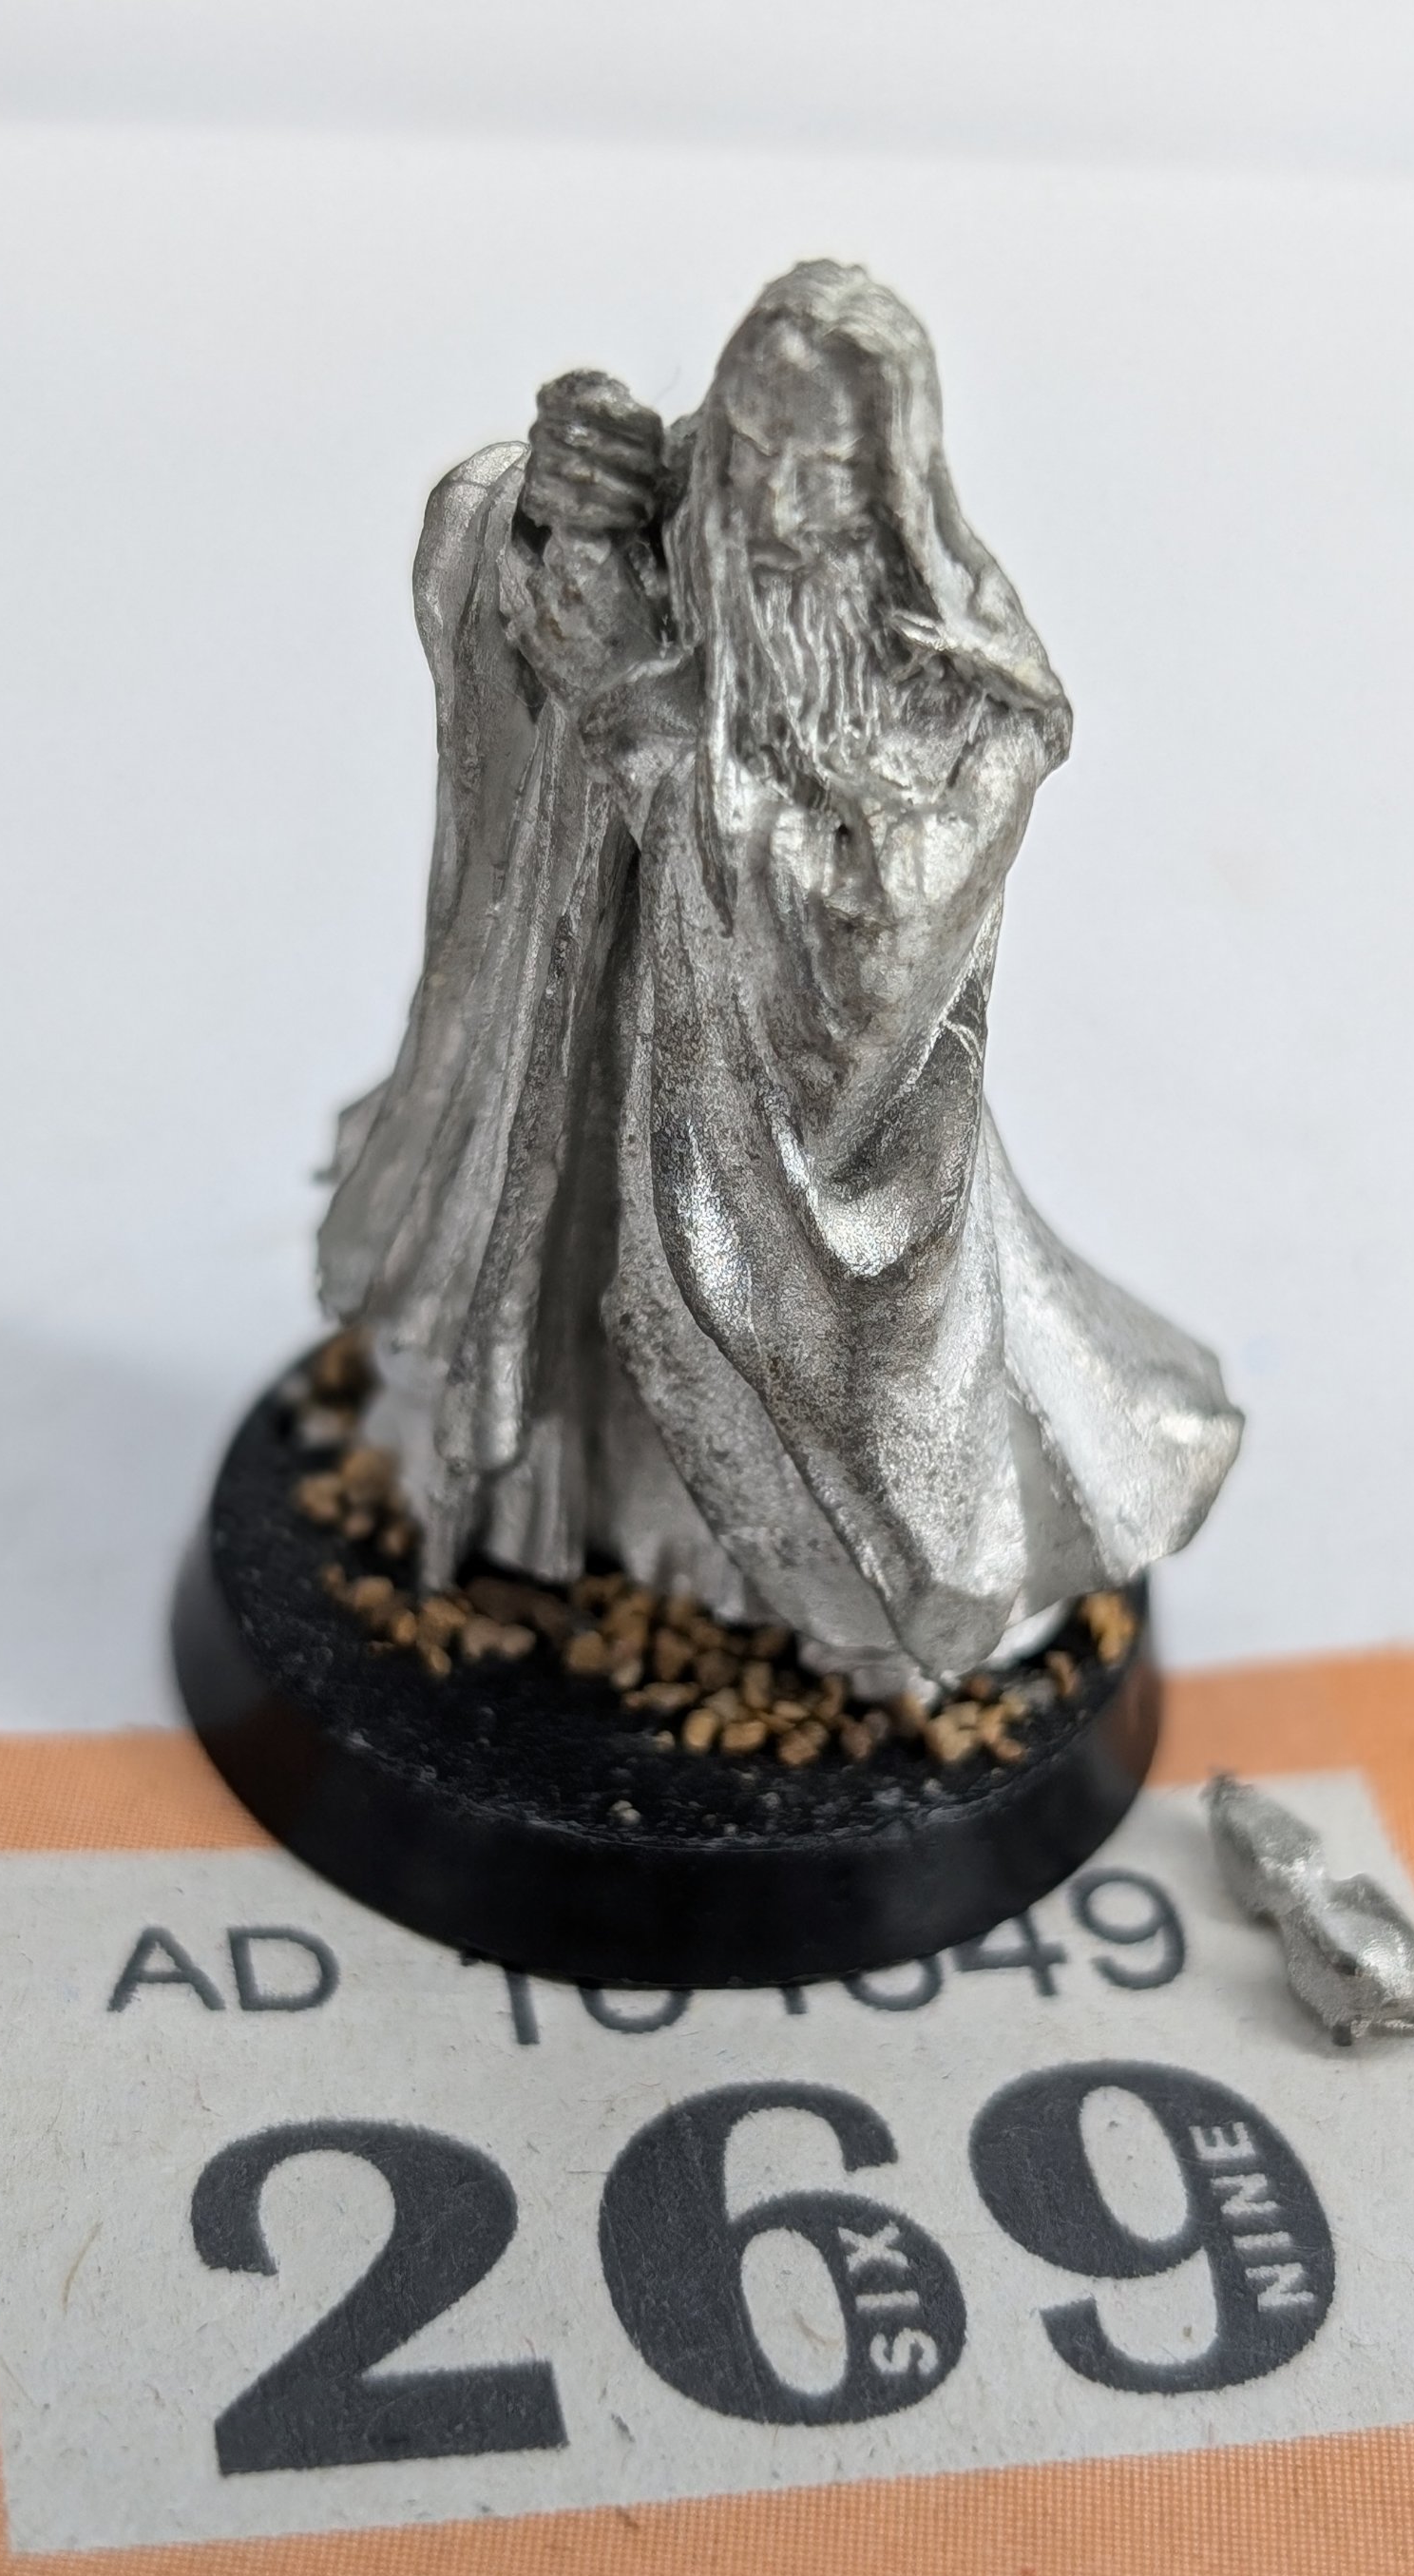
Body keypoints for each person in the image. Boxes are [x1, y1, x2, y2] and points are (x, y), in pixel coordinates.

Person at [317, 262, 1239, 1692]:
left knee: (801, 1365)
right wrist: (555, 510)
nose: (782, 500)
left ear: (890, 485)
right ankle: (608, 1524)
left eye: (822, 470)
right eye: (752, 452)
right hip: (624, 1052)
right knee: (614, 1293)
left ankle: (871, 1620)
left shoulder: (958, 693)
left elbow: (878, 923)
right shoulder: (700, 536)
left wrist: (647, 719)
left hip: (801, 1151)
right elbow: (522, 592)